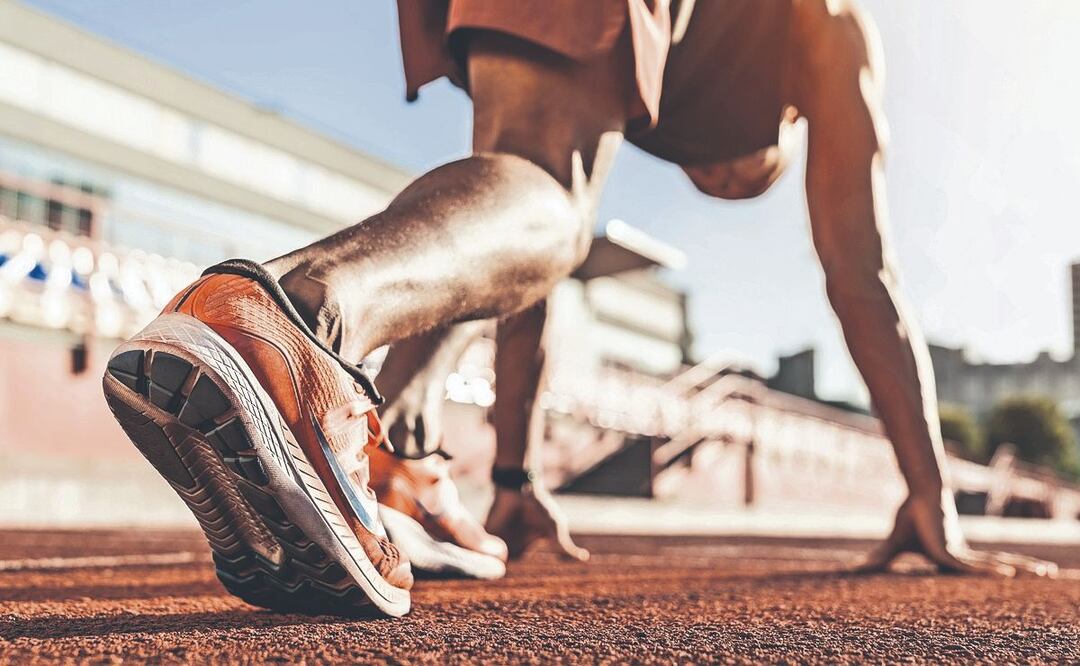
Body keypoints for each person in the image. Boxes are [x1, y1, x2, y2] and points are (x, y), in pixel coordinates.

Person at [102, 0, 1054, 618]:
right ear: (786, 124)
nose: (713, 175)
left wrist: (514, 474)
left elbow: (511, 278)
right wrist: (932, 494)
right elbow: (864, 275)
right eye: (740, 171)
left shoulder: (668, 61)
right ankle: (285, 322)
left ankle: (385, 453)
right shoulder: (830, 28)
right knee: (547, 204)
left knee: (524, 214)